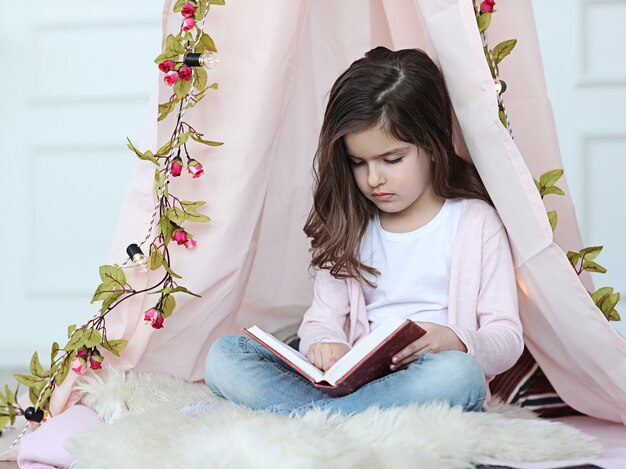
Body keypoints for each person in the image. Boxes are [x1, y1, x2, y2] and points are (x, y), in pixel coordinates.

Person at [202, 47, 523, 417]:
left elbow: (507, 338)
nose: (374, 179)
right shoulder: (351, 223)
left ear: (434, 146)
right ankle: (339, 416)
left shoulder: (475, 223)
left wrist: (455, 340)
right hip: (355, 383)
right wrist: (326, 343)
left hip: (427, 379)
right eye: (359, 163)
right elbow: (322, 319)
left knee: (460, 374)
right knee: (224, 355)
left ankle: (313, 417)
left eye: (392, 160)